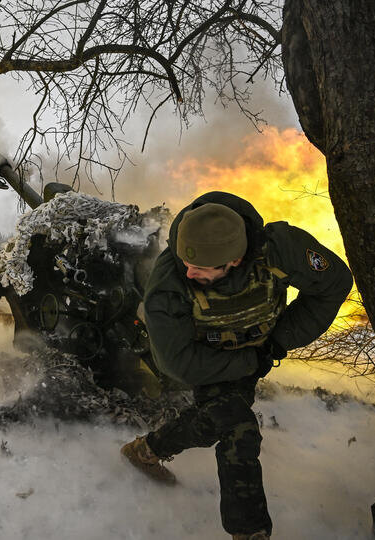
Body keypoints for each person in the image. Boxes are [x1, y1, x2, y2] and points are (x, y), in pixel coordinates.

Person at [120, 191, 353, 540]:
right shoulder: (168, 284)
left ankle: (145, 450)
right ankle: (250, 533)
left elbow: (333, 284)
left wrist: (277, 341)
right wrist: (248, 360)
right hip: (207, 361)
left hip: (258, 350)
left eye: (200, 268)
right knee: (238, 427)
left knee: (214, 421)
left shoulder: (278, 249)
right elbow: (177, 362)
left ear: (235, 259)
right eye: (185, 261)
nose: (188, 270)